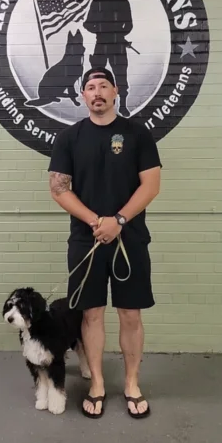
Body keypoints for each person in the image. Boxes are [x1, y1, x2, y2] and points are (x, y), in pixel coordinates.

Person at [48, 67, 162, 419]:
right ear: (83, 96)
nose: (96, 92)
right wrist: (97, 222)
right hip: (87, 240)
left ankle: (131, 383)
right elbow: (59, 189)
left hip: (131, 239)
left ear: (115, 92)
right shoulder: (68, 139)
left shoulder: (137, 134)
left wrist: (120, 221)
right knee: (91, 313)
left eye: (103, 86)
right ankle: (96, 382)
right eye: (89, 87)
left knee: (130, 313)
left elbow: (150, 185)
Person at [83, 0, 133, 117]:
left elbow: (129, 25)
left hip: (118, 45)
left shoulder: (123, 2)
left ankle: (122, 106)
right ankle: (96, 107)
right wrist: (101, 29)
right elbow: (87, 24)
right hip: (102, 44)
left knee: (121, 76)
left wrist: (118, 33)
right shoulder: (98, 1)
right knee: (97, 77)